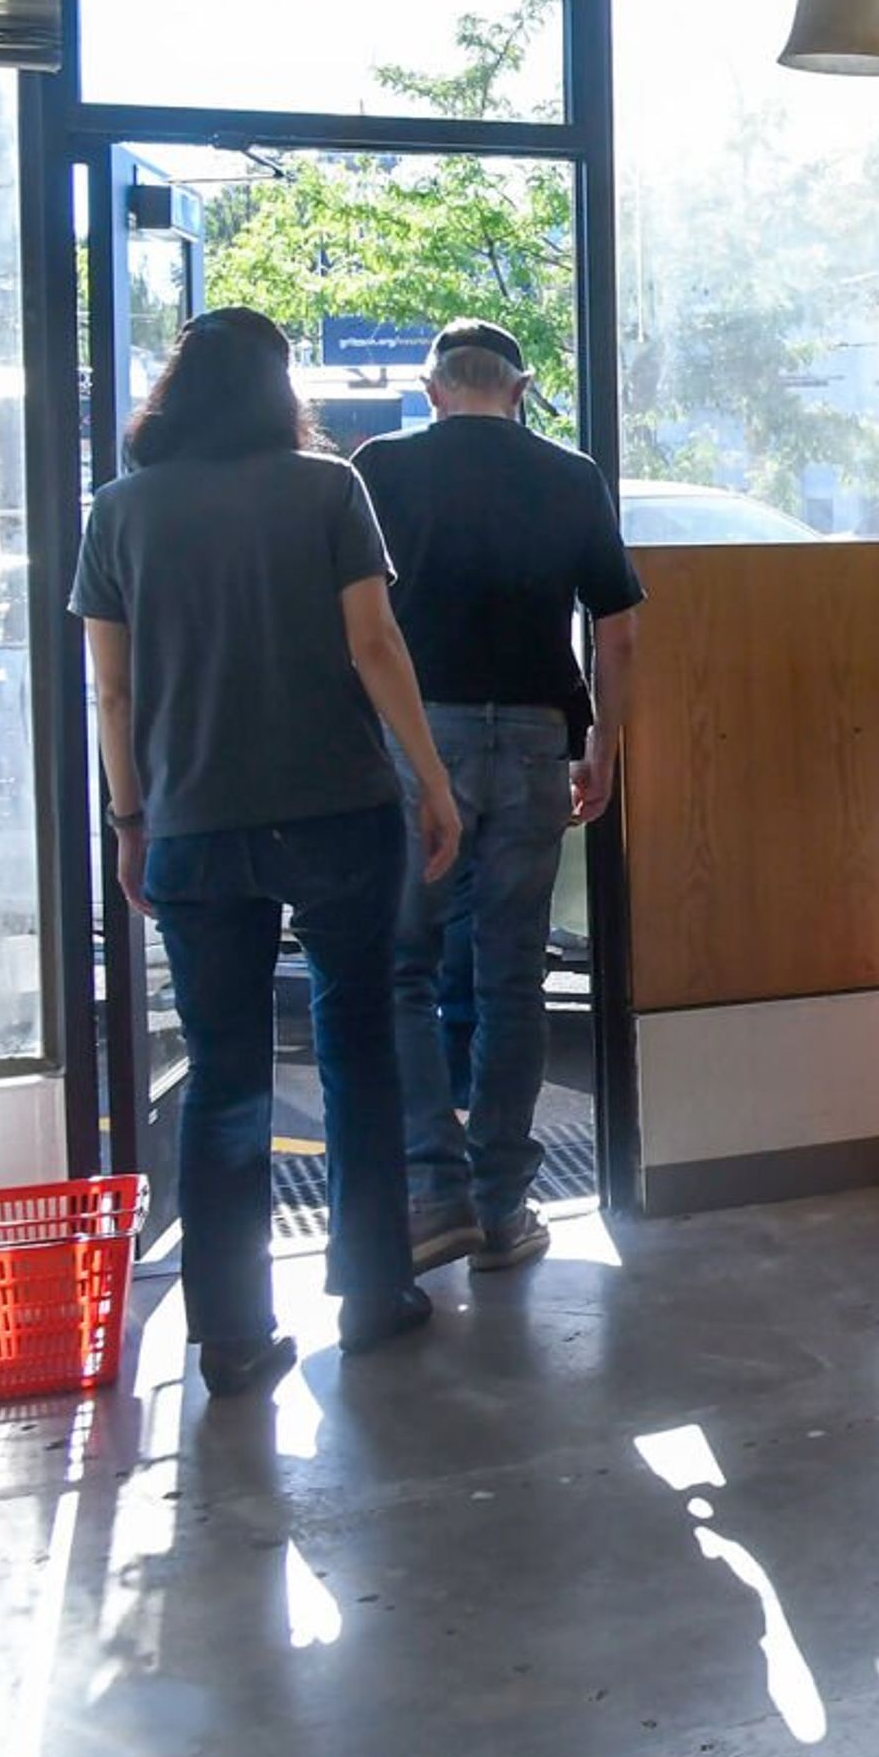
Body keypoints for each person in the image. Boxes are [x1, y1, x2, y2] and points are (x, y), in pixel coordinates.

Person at [72, 308, 462, 1398]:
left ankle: (232, 1332)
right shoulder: (327, 487)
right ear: (277, 389)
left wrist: (129, 818)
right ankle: (375, 1289)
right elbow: (375, 643)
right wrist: (431, 780)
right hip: (339, 807)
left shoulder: (120, 511)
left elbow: (112, 686)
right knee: (357, 1040)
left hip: (194, 821)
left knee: (227, 1071)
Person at [353, 318, 642, 1275]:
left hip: (417, 738)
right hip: (532, 737)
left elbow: (362, 629)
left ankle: (435, 1193)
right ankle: (503, 1208)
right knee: (512, 971)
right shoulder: (570, 475)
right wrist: (602, 742)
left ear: (434, 389)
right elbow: (618, 632)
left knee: (404, 965)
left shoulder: (380, 468)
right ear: (519, 389)